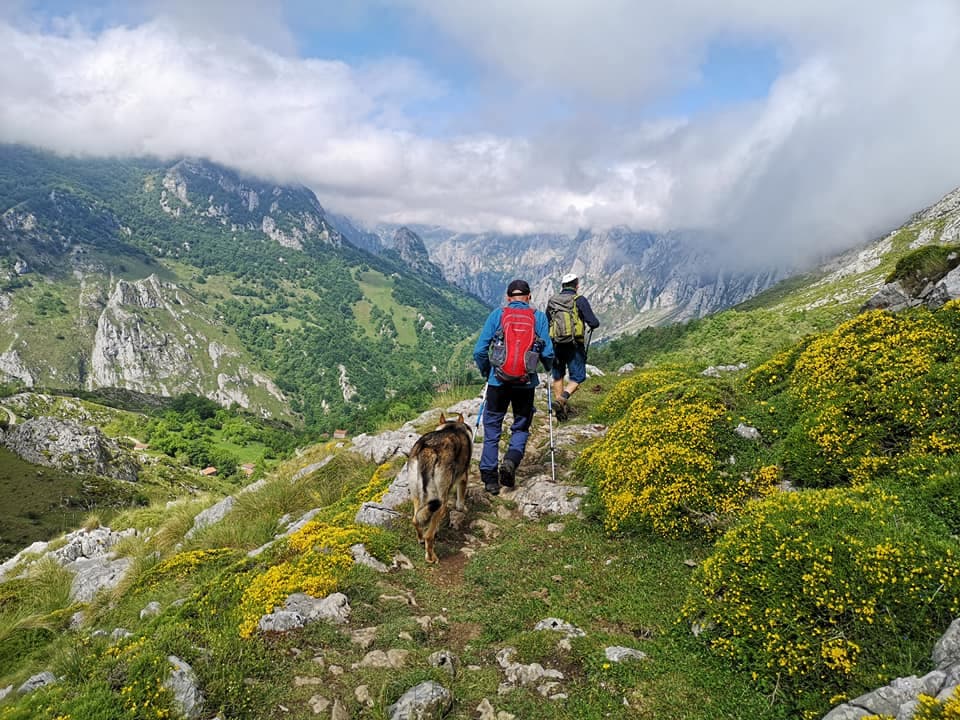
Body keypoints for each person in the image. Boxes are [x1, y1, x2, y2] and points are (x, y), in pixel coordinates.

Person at [473, 279, 555, 495]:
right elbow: (547, 353)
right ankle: (510, 461)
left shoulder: (498, 315)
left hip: (497, 382)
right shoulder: (537, 317)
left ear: (508, 298)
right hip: (525, 383)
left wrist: (487, 371)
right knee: (520, 426)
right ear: (529, 297)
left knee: (492, 429)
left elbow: (479, 351)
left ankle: (490, 480)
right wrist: (547, 368)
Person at [547, 272, 600, 421]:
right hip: (574, 345)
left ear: (562, 286)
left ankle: (560, 410)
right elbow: (594, 322)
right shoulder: (580, 300)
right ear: (577, 286)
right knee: (578, 377)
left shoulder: (553, 301)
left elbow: (547, 322)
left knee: (558, 375)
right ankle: (563, 398)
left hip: (556, 344)